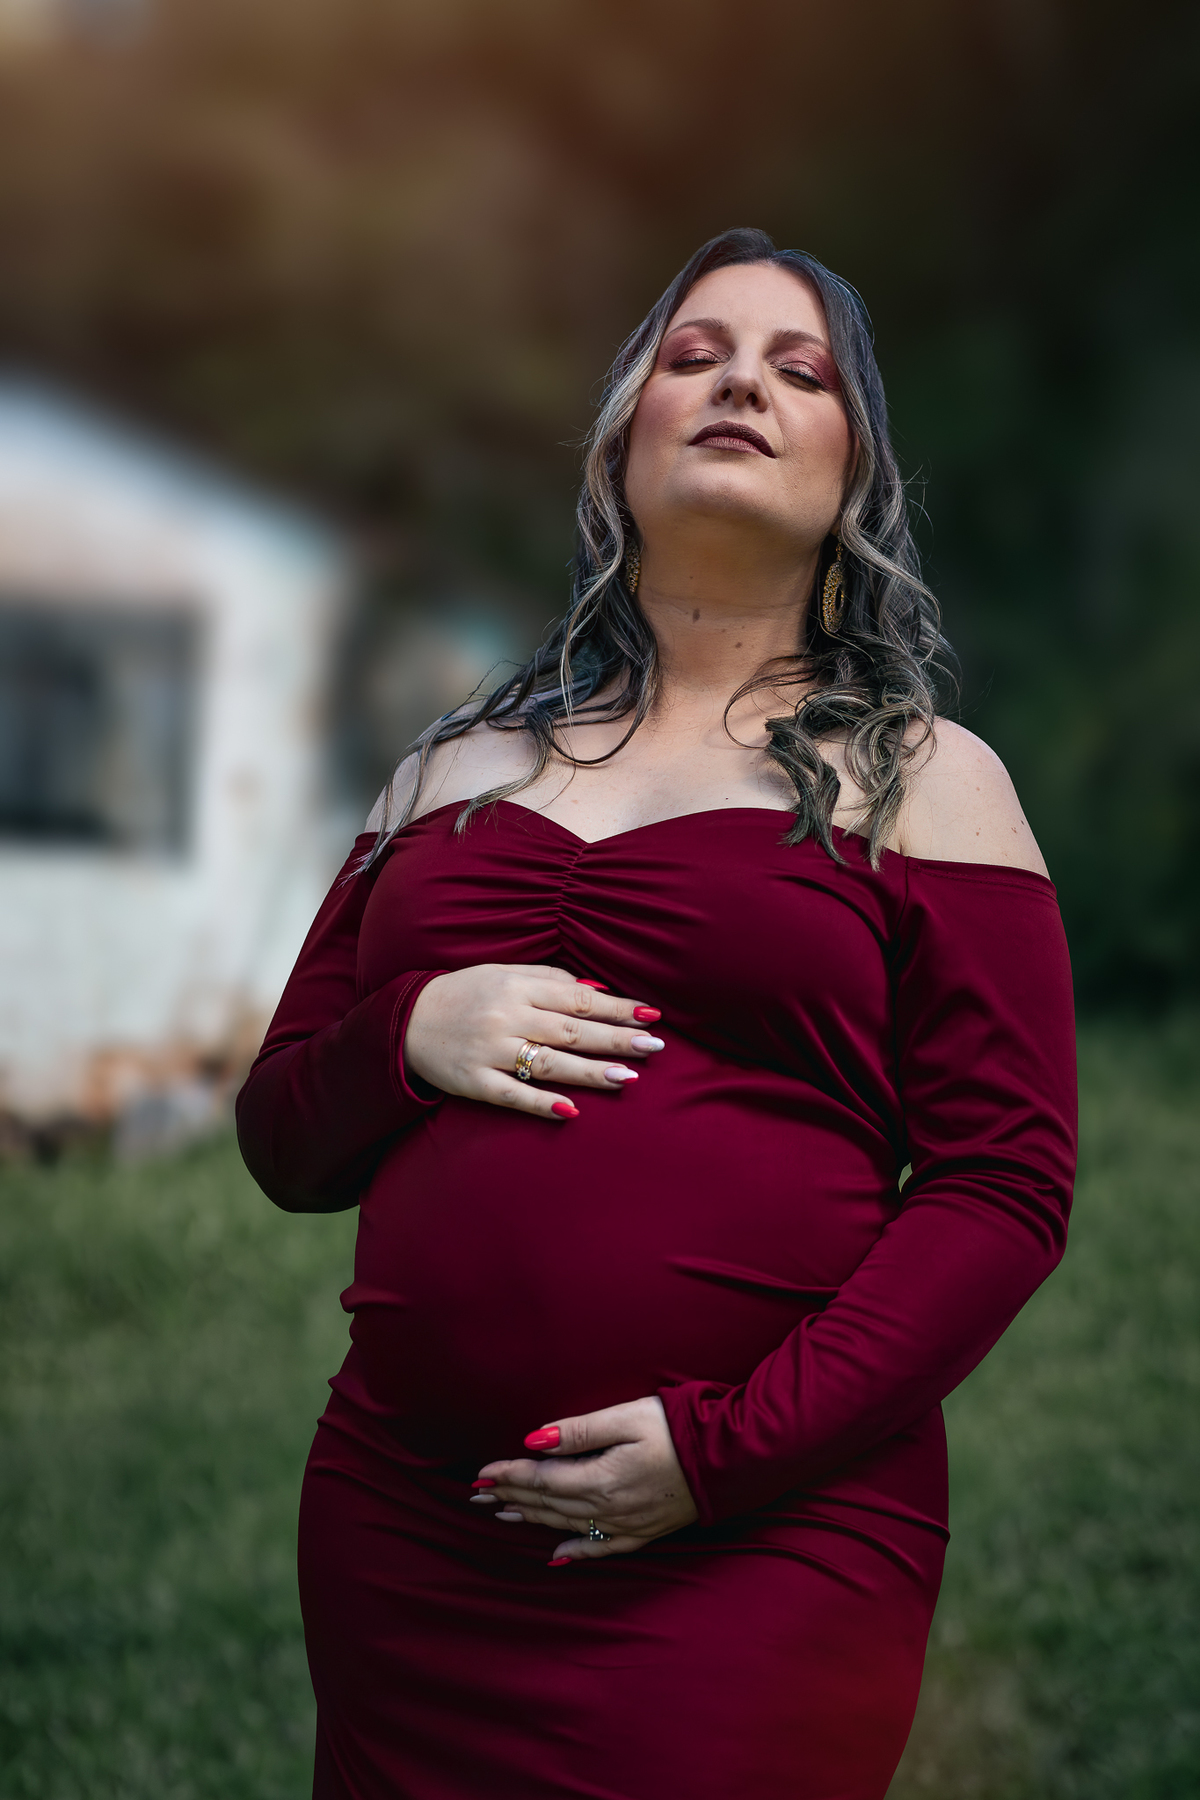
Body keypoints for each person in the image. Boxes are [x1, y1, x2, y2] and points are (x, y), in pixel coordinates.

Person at [236, 227, 1077, 1800]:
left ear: (854, 473)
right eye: (696, 356)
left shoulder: (928, 780)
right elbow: (284, 1136)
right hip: (412, 1527)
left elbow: (1003, 1187)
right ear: (623, 440)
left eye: (797, 370)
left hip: (768, 1532)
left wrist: (724, 1450)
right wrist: (405, 1032)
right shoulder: (449, 767)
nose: (741, 383)